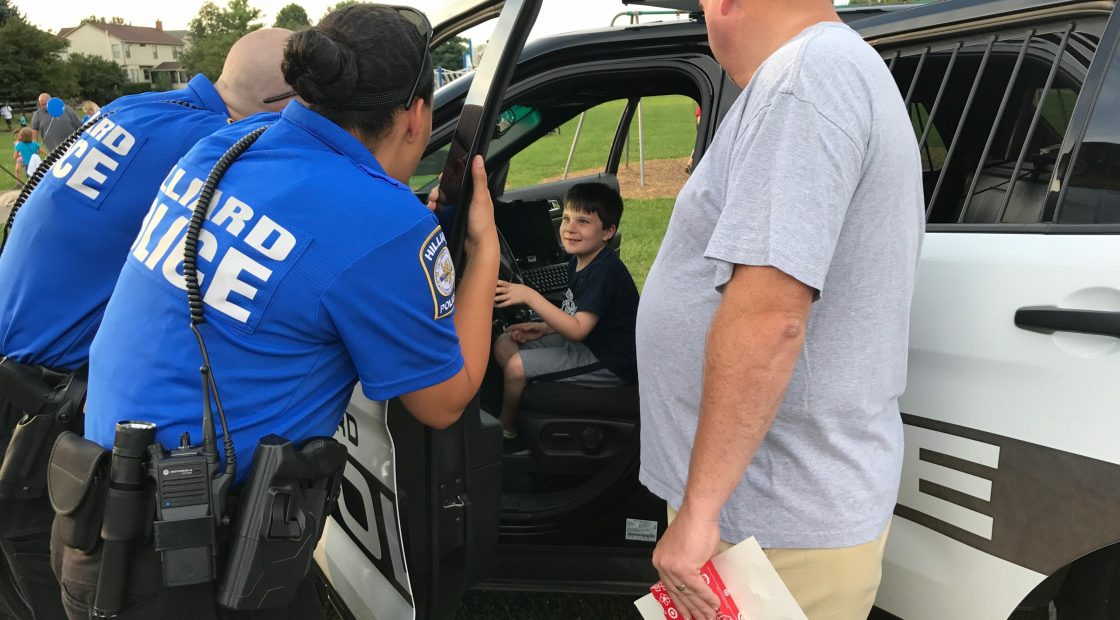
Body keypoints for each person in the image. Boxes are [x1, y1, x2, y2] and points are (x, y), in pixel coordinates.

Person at [55, 5, 498, 618]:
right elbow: (444, 401)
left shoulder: (226, 144)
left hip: (95, 515)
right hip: (189, 569)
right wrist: (484, 254)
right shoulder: (383, 222)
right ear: (417, 115)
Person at [635, 0, 925, 618]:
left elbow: (772, 318)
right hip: (771, 509)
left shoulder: (806, 79)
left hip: (767, 522)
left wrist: (700, 513)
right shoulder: (829, 68)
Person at [0, 28, 295, 620]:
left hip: (17, 360)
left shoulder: (141, 107)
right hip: (42, 399)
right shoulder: (219, 144)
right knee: (49, 569)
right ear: (282, 105)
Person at [492, 182, 638, 440]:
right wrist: (544, 327)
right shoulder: (578, 261)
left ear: (607, 232)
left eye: (583, 221)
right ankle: (533, 400)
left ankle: (506, 433)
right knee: (505, 343)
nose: (570, 228)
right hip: (588, 341)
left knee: (516, 367)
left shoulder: (605, 272)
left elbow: (578, 330)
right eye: (567, 218)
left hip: (608, 360)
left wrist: (531, 297)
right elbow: (577, 313)